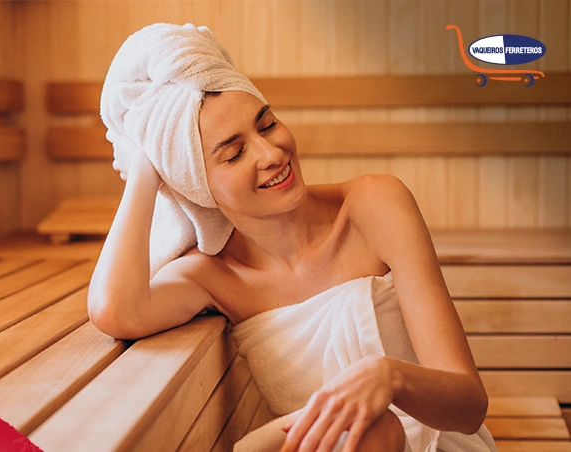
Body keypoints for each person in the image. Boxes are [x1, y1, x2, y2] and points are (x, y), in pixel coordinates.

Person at [89, 23, 497, 452]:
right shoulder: (214, 275)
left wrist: (388, 377)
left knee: (378, 430)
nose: (272, 154)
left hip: (441, 444)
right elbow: (115, 310)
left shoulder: (373, 206)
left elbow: (469, 406)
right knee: (372, 433)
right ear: (196, 185)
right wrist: (145, 171)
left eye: (266, 125)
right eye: (234, 153)